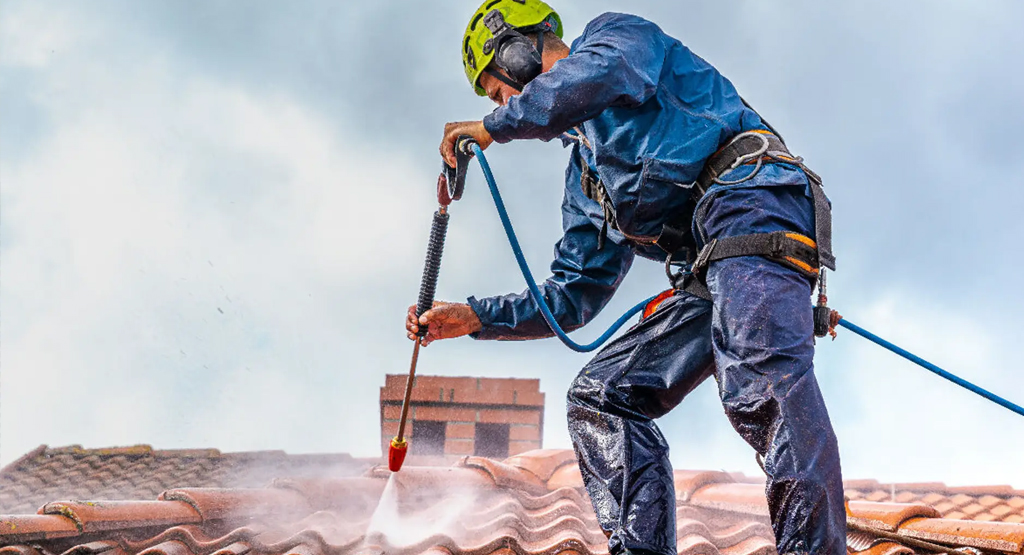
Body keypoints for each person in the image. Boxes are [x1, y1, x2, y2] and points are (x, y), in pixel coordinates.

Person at [405, 2, 846, 554]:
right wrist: (474, 317)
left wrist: (497, 126)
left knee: (760, 382)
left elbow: (600, 75)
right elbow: (572, 296)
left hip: (754, 205)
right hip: (709, 266)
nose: (503, 106)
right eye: (497, 103)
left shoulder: (616, 39)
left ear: (517, 52)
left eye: (499, 92)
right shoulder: (586, 179)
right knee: (602, 396)